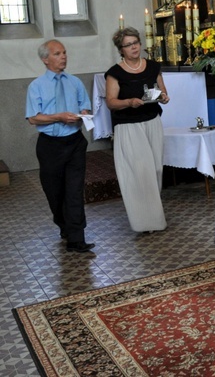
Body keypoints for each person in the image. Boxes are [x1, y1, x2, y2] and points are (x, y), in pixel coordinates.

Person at [26, 40, 95, 253]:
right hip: (50, 146)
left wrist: (83, 114)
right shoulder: (36, 86)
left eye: (64, 52)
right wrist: (58, 117)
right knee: (54, 193)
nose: (63, 56)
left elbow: (85, 106)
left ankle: (77, 238)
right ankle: (63, 224)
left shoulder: (75, 82)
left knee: (74, 191)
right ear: (45, 59)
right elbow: (33, 119)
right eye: (57, 53)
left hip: (74, 142)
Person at [105, 27, 170, 233]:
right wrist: (128, 102)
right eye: (128, 45)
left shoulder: (152, 67)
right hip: (128, 126)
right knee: (141, 173)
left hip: (152, 121)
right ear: (121, 49)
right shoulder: (115, 73)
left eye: (136, 43)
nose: (134, 47)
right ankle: (146, 223)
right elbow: (111, 103)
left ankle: (151, 213)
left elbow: (162, 92)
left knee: (156, 170)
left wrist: (164, 98)